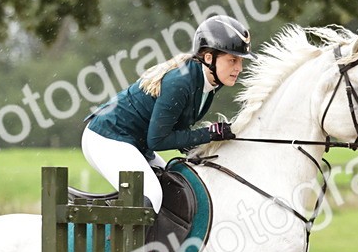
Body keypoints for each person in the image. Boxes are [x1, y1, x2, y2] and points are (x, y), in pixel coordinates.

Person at [83, 14, 253, 213]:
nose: (239, 68)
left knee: (174, 190)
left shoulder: (209, 81)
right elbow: (158, 140)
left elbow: (178, 127)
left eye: (240, 61)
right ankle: (123, 244)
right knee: (151, 195)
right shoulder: (181, 83)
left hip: (134, 143)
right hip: (106, 138)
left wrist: (205, 146)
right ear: (209, 58)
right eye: (233, 60)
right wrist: (209, 134)